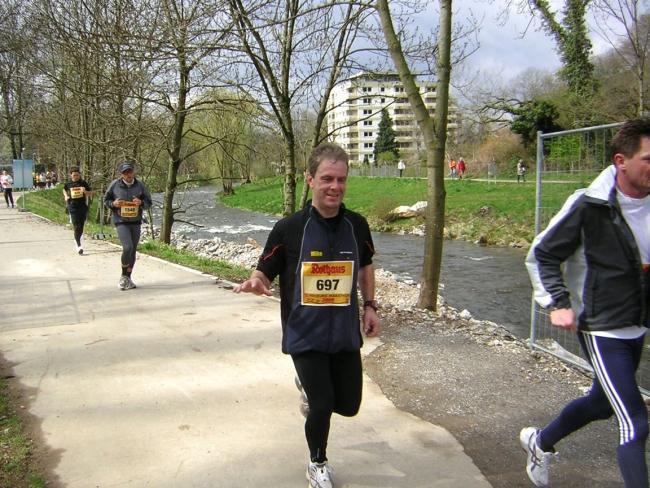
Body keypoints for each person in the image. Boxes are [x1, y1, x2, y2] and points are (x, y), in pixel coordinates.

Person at [233, 142, 380, 488]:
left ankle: (307, 389)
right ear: (310, 180)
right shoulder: (289, 228)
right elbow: (264, 270)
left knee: (349, 404)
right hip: (304, 334)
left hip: (344, 333)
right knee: (323, 403)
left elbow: (367, 265)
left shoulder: (357, 226)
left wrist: (370, 306)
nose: (335, 187)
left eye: (341, 180)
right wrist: (256, 281)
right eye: (327, 178)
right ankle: (317, 462)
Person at [522, 118, 650, 487]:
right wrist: (556, 303)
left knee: (601, 403)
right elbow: (542, 254)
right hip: (600, 324)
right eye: (648, 159)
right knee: (634, 422)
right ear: (621, 160)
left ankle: (540, 441)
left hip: (637, 322)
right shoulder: (589, 204)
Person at [103, 161, 152, 290]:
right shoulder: (115, 185)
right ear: (122, 174)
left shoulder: (140, 185)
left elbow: (148, 202)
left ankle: (128, 278)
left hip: (135, 222)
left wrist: (141, 203)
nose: (128, 174)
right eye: (125, 173)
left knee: (133, 250)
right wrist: (113, 204)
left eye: (130, 171)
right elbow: (105, 200)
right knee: (127, 247)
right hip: (121, 221)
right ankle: (123, 276)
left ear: (133, 172)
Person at [63, 167, 92, 254]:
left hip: (82, 206)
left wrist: (85, 192)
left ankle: (77, 239)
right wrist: (65, 196)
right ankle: (79, 245)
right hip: (72, 206)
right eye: (74, 175)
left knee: (81, 226)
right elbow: (64, 189)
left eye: (77, 175)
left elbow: (90, 193)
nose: (76, 177)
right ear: (71, 175)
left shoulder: (83, 183)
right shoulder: (68, 183)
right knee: (77, 226)